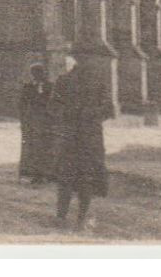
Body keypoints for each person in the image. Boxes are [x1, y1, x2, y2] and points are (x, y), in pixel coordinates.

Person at [47, 55, 112, 230]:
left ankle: (71, 218)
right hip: (82, 137)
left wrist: (86, 113)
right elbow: (54, 106)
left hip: (80, 137)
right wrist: (80, 114)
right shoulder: (67, 81)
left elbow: (107, 108)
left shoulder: (95, 82)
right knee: (77, 177)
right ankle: (70, 217)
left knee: (75, 178)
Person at [17, 62, 52, 183]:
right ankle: (31, 173)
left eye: (39, 72)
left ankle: (46, 173)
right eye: (35, 73)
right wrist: (23, 120)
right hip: (31, 121)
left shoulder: (50, 86)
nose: (37, 75)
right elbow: (22, 104)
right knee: (31, 148)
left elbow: (54, 103)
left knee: (45, 147)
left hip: (46, 122)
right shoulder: (28, 87)